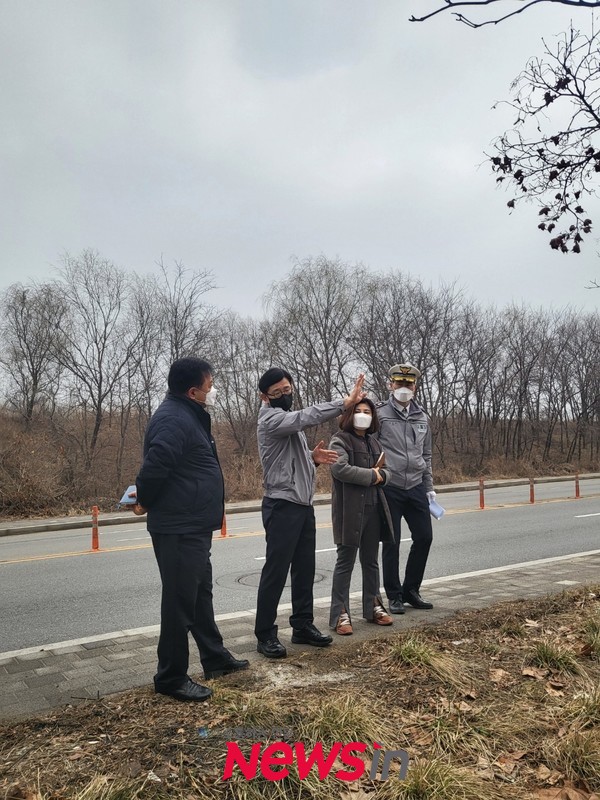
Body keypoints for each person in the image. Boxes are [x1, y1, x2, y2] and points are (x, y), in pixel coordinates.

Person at [133, 357, 248, 702]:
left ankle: (214, 657)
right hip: (179, 526)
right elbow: (155, 466)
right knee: (180, 601)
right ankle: (170, 676)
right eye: (210, 387)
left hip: (192, 523)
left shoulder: (186, 414)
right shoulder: (173, 418)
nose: (213, 392)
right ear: (193, 390)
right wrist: (144, 500)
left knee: (199, 595)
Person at [254, 368, 366, 658]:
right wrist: (344, 403)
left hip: (303, 505)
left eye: (287, 389)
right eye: (277, 393)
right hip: (281, 506)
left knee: (304, 570)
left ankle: (302, 626)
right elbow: (306, 416)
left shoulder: (287, 426)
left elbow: (286, 462)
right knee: (276, 572)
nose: (284, 396)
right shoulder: (271, 419)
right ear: (265, 397)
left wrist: (312, 459)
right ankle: (265, 634)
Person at [328, 398, 394, 635]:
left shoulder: (374, 442)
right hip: (349, 510)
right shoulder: (340, 440)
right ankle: (340, 614)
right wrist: (372, 475)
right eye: (358, 411)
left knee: (371, 561)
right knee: (345, 563)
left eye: (367, 411)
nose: (363, 415)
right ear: (348, 414)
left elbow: (386, 472)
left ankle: (373, 605)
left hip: (374, 508)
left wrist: (381, 476)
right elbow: (340, 469)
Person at [376, 363, 435, 613]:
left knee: (424, 537)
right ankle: (394, 594)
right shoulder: (379, 415)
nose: (403, 388)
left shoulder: (422, 417)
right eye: (399, 383)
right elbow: (370, 449)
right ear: (390, 385)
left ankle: (412, 590)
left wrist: (429, 487)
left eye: (408, 384)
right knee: (392, 542)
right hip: (390, 487)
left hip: (416, 486)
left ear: (415, 387)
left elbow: (427, 454)